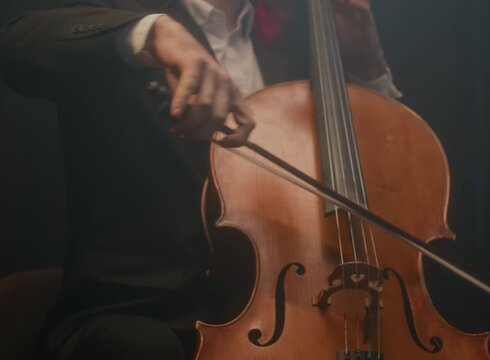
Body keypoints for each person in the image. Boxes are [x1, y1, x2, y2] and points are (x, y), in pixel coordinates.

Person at [0, 0, 400, 359]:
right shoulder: (126, 14)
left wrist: (368, 71)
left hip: (294, 308)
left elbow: (398, 178)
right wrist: (155, 32)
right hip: (147, 315)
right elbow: (17, 43)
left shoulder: (299, 43)